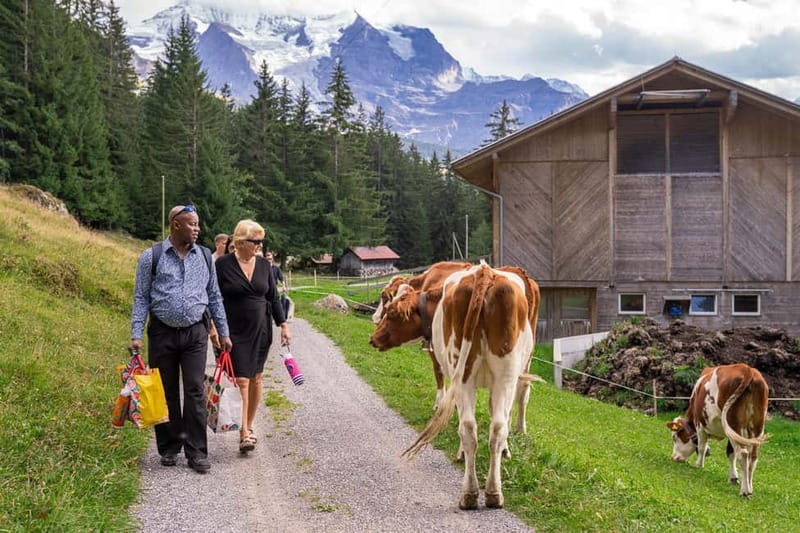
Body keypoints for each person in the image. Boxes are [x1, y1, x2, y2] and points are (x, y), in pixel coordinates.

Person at [129, 204, 232, 474]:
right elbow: (141, 297)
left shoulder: (206, 256)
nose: (197, 229)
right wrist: (136, 333)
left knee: (196, 390)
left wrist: (223, 332)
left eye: (198, 224)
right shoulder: (151, 257)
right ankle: (170, 447)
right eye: (192, 224)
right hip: (162, 331)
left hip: (195, 332)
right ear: (176, 225)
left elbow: (214, 296)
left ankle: (197, 452)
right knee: (166, 390)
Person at [215, 220, 290, 452]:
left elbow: (273, 298)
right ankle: (243, 433)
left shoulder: (264, 266)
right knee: (241, 380)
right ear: (240, 242)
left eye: (261, 241)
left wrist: (284, 325)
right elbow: (214, 297)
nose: (259, 245)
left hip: (261, 329)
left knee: (256, 377)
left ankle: (249, 424)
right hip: (233, 330)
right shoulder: (223, 265)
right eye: (255, 241)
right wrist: (214, 328)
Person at [265, 251, 290, 318]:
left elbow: (281, 278)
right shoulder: (263, 268)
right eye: (267, 259)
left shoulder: (276, 268)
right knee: (266, 303)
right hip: (265, 288)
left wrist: (284, 286)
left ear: (272, 259)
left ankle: (278, 317)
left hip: (274, 287)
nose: (269, 260)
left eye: (270, 259)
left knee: (275, 302)